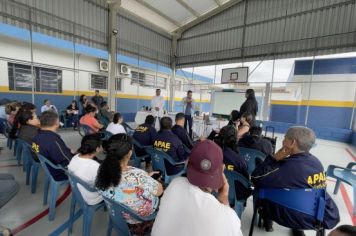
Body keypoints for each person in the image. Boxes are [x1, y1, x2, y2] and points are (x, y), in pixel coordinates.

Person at [251, 126, 340, 235]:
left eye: (285, 138)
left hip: (289, 215)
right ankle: (298, 229)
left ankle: (267, 221)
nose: (283, 140)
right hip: (314, 216)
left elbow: (256, 178)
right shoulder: (317, 163)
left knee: (261, 188)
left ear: (292, 142)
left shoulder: (285, 166)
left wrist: (273, 158)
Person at [151, 140, 243, 236]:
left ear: (187, 163)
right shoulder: (229, 217)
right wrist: (224, 201)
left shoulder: (175, 184)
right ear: (222, 169)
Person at [95, 134, 163, 235]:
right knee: (164, 189)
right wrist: (147, 179)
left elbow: (124, 188)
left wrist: (145, 178)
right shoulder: (138, 175)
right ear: (130, 153)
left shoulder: (102, 170)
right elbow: (159, 191)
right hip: (139, 220)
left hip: (118, 216)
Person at [32, 111, 74, 181]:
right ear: (57, 123)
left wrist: (67, 150)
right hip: (59, 172)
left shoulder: (35, 137)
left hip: (48, 167)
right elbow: (67, 161)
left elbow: (35, 153)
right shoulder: (54, 141)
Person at [215, 125, 250, 200]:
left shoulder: (210, 153)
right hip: (233, 197)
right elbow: (246, 183)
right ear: (235, 139)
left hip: (212, 192)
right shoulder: (239, 161)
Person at [68, 134, 103, 205]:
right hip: (91, 198)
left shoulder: (75, 157)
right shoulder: (94, 166)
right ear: (97, 149)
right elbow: (103, 184)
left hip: (78, 191)